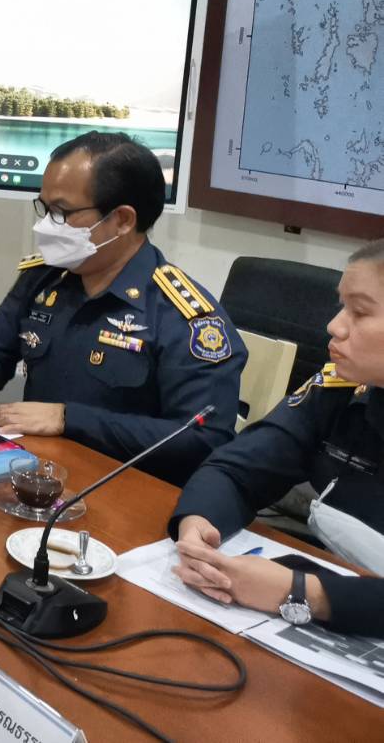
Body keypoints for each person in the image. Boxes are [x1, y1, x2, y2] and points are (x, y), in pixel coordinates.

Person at [0, 132, 245, 485]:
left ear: (122, 220)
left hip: (127, 491)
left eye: (61, 212)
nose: (45, 225)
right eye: (45, 208)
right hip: (36, 478)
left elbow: (202, 439)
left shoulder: (183, 316)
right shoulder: (45, 278)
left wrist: (69, 419)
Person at [169, 239, 384, 636]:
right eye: (341, 306)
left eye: (359, 311)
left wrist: (306, 593)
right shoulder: (341, 388)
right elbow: (238, 469)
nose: (334, 326)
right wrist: (198, 523)